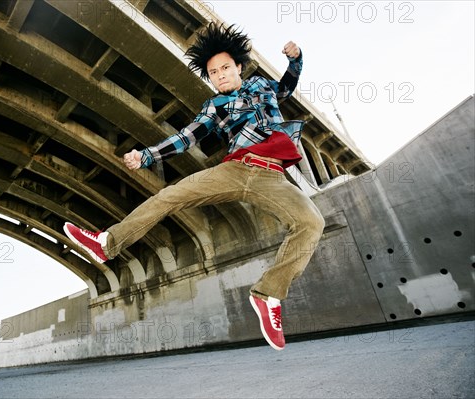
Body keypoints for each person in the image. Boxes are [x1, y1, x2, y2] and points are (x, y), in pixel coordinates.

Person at [64, 23, 325, 351]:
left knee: (312, 222)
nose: (220, 76)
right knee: (170, 195)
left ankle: (269, 293)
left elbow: (287, 86)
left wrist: (296, 58)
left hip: (272, 177)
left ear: (239, 67)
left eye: (225, 68)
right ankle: (107, 243)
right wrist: (147, 155)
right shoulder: (214, 106)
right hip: (234, 170)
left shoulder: (261, 86)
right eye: (213, 73)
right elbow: (187, 136)